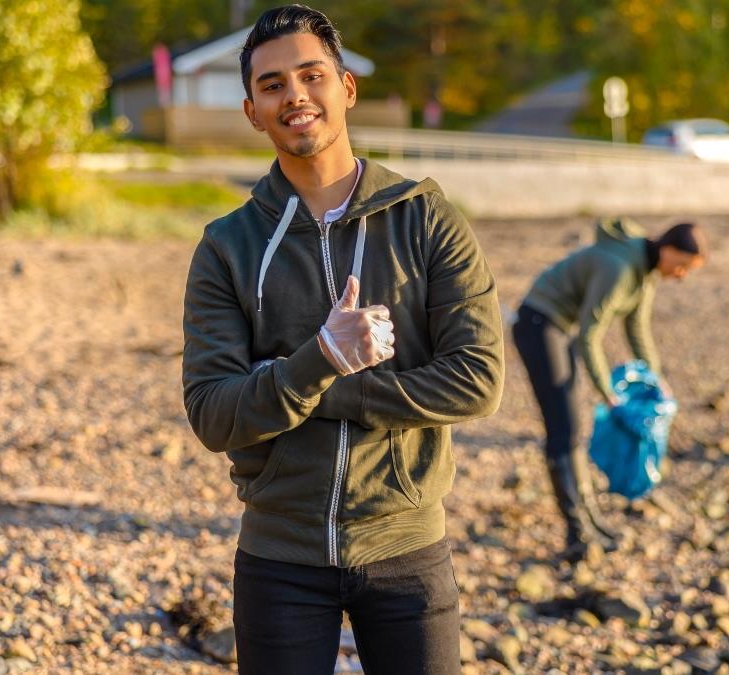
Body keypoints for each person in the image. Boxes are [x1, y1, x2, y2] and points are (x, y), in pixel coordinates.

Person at [181, 6, 503, 672]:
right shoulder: (227, 247)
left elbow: (477, 378)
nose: (294, 95)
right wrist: (320, 358)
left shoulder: (426, 217)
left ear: (346, 87)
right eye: (272, 85)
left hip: (408, 547)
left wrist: (325, 384)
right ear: (252, 111)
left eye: (310, 75)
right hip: (279, 555)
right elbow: (213, 413)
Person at [512, 218, 706, 562]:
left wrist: (656, 378)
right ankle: (576, 533)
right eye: (682, 267)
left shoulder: (645, 274)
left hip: (559, 329)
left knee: (577, 429)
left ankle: (591, 523)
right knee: (564, 430)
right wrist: (608, 392)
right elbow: (590, 333)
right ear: (669, 250)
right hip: (538, 324)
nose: (681, 276)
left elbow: (637, 329)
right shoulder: (619, 269)